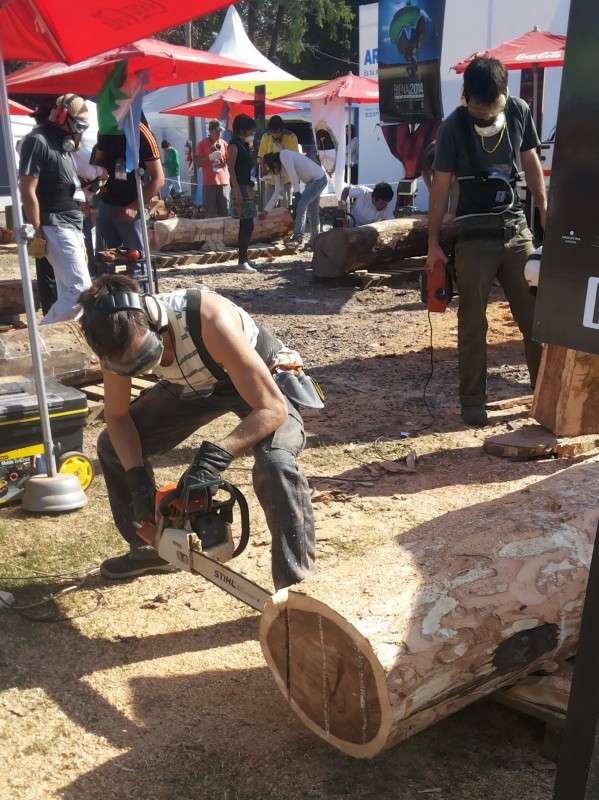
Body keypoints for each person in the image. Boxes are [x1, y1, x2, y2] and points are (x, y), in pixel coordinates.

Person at [78, 274, 318, 590]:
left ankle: (295, 586)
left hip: (264, 378)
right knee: (113, 446)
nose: (141, 369)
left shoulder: (208, 319)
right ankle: (154, 547)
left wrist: (214, 458)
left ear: (152, 319)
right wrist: (136, 481)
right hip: (195, 384)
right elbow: (118, 416)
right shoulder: (113, 341)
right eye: (130, 367)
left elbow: (272, 408)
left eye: (145, 357)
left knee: (276, 463)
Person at [426, 56, 547, 427]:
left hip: (515, 230)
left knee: (536, 319)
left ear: (503, 94)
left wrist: (545, 208)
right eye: (477, 107)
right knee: (472, 324)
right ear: (466, 97)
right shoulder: (452, 128)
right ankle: (472, 401)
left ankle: (545, 395)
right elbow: (440, 188)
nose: (484, 114)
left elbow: (530, 161)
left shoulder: (518, 111)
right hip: (473, 239)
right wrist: (433, 244)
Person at [18, 94, 92, 324]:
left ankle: (60, 340)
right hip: (54, 223)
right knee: (81, 290)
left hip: (71, 223)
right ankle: (39, 338)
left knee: (67, 292)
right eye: (78, 126)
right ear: (61, 116)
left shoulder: (63, 144)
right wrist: (37, 228)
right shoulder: (37, 141)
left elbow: (64, 182)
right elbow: (27, 188)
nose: (79, 132)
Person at [94, 118, 164, 275]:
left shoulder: (141, 132)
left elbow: (159, 179)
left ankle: (139, 290)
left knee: (136, 261)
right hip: (107, 203)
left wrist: (134, 207)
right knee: (104, 261)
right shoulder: (105, 128)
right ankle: (108, 290)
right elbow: (97, 162)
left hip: (132, 206)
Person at [262, 150, 327, 248]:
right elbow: (277, 191)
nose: (273, 171)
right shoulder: (278, 168)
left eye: (272, 168)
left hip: (318, 179)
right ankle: (316, 241)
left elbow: (293, 174)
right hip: (313, 181)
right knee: (313, 211)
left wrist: (296, 192)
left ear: (274, 163)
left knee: (302, 205)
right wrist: (266, 211)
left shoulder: (284, 155)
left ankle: (298, 236)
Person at [228, 114, 258, 272]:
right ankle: (242, 260)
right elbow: (231, 168)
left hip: (247, 186)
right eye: (250, 131)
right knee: (246, 224)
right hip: (240, 187)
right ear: (241, 130)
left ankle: (244, 257)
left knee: (248, 224)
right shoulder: (234, 145)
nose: (252, 134)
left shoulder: (245, 145)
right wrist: (236, 190)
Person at [257, 115, 299, 210]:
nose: (275, 135)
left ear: (282, 130)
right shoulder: (266, 136)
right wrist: (264, 169)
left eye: (277, 132)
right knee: (268, 208)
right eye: (273, 132)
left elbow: (294, 158)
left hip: (285, 180)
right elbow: (261, 157)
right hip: (271, 181)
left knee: (284, 209)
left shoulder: (291, 137)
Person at [196, 120, 229, 218]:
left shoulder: (224, 143)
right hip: (209, 183)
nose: (219, 133)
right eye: (217, 131)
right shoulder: (202, 144)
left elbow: (229, 161)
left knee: (224, 213)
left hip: (223, 183)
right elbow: (198, 163)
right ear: (210, 131)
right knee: (210, 214)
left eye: (220, 131)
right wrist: (210, 158)